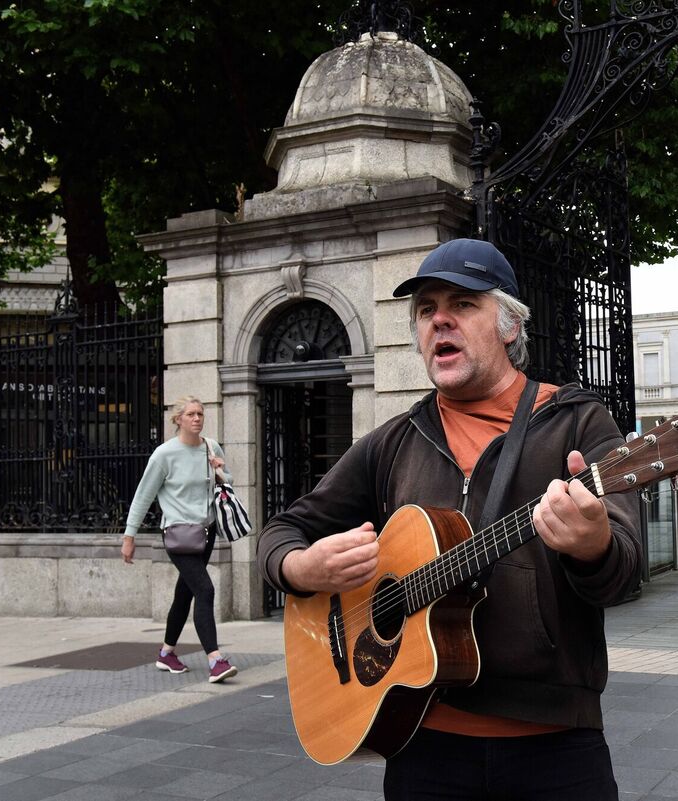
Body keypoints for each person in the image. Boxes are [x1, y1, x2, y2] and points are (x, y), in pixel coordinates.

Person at [258, 238, 640, 800]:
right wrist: (299, 567)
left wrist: (593, 545)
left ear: (509, 325)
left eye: (462, 304)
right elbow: (282, 531)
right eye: (425, 310)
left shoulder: (575, 423)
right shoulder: (395, 441)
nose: (440, 321)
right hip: (422, 744)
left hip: (554, 748)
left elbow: (625, 571)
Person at [122, 395, 239, 684]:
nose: (197, 418)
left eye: (200, 413)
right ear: (178, 420)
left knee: (184, 593)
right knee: (205, 589)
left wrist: (220, 469)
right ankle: (215, 660)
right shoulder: (164, 454)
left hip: (206, 531)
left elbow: (227, 481)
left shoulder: (210, 447)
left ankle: (166, 653)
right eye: (190, 414)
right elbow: (143, 496)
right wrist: (129, 535)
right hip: (178, 534)